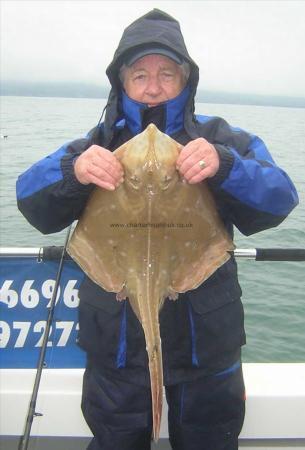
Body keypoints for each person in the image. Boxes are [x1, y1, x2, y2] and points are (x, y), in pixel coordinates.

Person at [16, 9, 298, 450]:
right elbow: (31, 202)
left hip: (206, 347)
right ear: (122, 83)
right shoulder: (96, 144)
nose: (153, 86)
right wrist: (75, 171)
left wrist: (224, 166)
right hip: (117, 348)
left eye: (167, 73)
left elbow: (280, 197)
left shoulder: (220, 138)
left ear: (187, 80)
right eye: (140, 74)